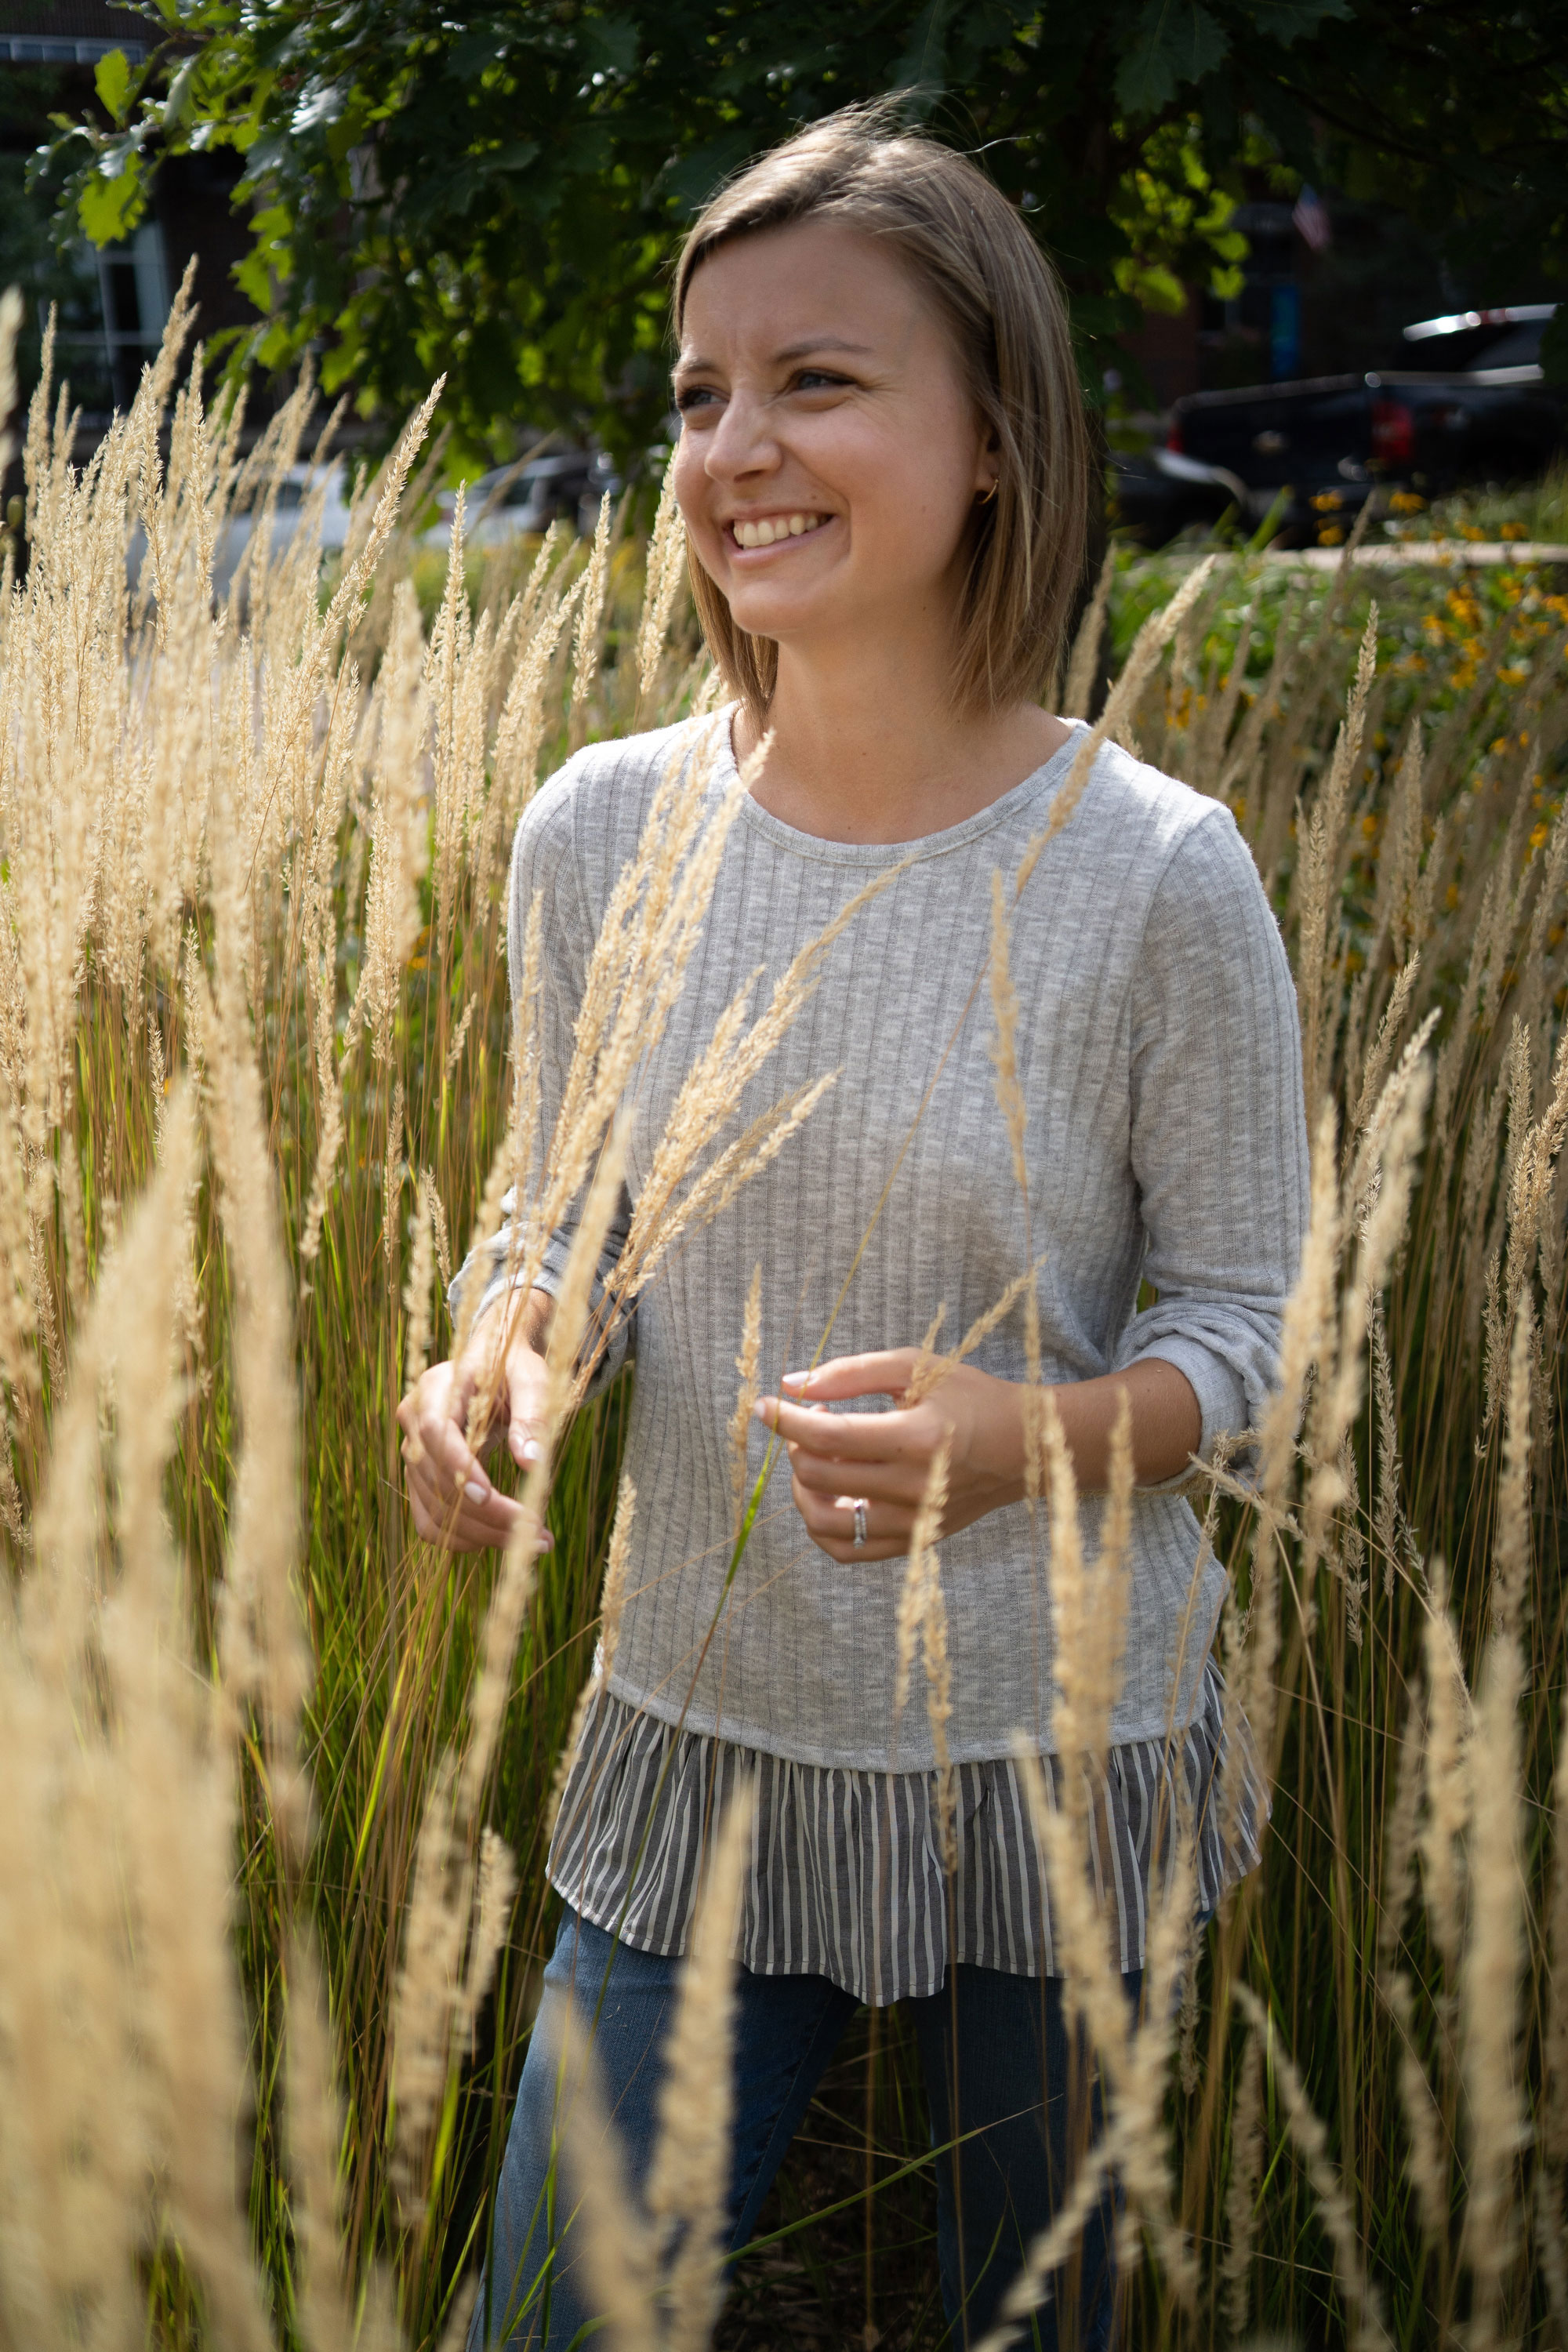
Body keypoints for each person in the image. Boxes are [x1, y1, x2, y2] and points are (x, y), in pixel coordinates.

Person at [398, 101, 1308, 2352]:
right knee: (555, 2315)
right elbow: (564, 1211)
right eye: (700, 392)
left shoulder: (1159, 875)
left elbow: (1245, 1322)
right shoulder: (598, 833)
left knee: (1039, 2320)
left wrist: (1038, 1443)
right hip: (698, 1728)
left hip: (1061, 1752)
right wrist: (504, 1352)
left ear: (995, 432)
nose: (734, 446)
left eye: (818, 380)